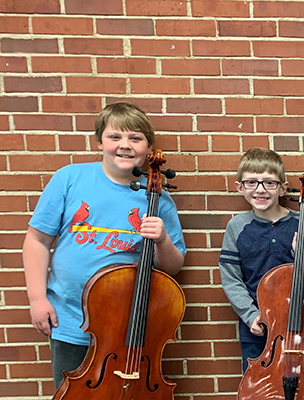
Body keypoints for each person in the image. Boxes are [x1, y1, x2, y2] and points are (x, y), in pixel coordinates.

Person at [23, 102, 187, 389]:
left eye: (135, 138)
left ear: (149, 149)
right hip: (70, 319)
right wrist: (37, 298)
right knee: (72, 393)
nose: (125, 146)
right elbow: (37, 240)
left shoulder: (158, 199)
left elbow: (173, 267)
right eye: (115, 137)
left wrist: (161, 239)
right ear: (99, 141)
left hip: (130, 326)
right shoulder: (70, 179)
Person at [218, 147, 304, 372]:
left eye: (269, 183)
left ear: (283, 188)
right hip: (258, 329)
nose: (260, 190)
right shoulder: (237, 227)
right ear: (239, 188)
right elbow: (231, 279)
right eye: (251, 182)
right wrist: (250, 315)